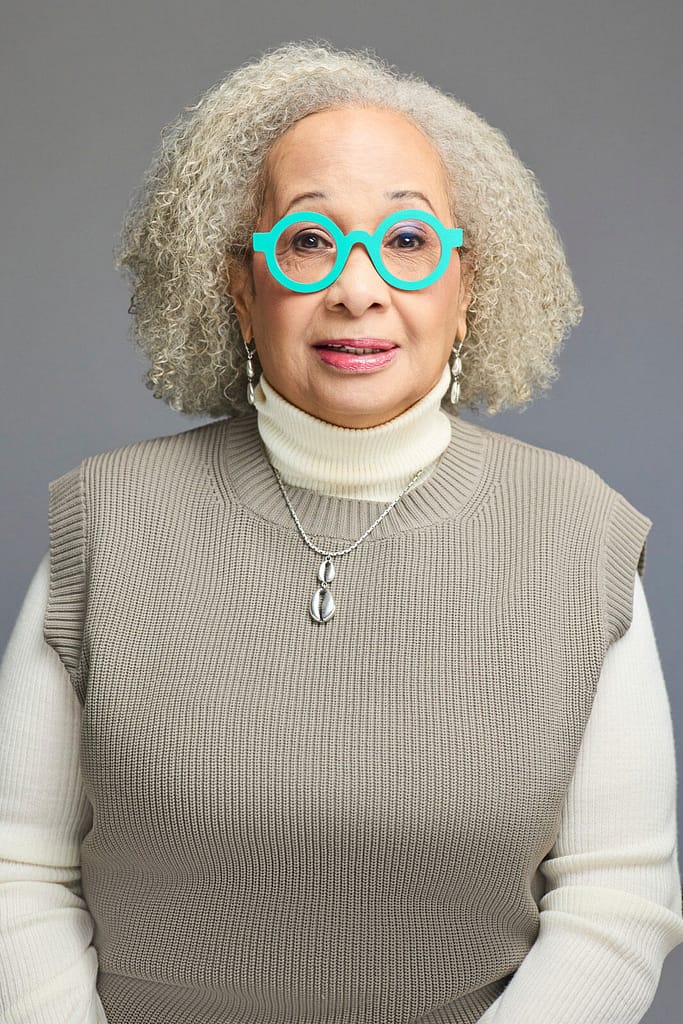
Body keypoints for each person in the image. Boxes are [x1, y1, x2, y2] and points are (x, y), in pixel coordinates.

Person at [1, 38, 682, 1024]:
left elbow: (615, 900)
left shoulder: (578, 534)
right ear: (240, 290)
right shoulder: (106, 521)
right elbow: (16, 869)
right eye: (310, 240)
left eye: (406, 240)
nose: (358, 287)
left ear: (464, 289)